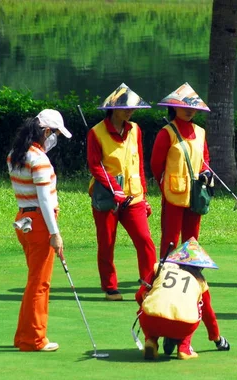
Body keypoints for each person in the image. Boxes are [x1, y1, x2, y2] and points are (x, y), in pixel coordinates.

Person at [7, 109, 72, 351]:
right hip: (40, 223)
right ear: (45, 131)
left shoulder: (16, 153)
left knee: (34, 280)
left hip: (23, 219)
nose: (55, 138)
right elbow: (45, 201)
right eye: (54, 133)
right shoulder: (40, 160)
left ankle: (23, 337)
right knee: (40, 283)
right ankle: (34, 339)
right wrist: (55, 234)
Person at [87, 83, 156, 301]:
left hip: (133, 197)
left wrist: (144, 197)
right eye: (125, 107)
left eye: (132, 108)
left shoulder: (135, 129)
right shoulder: (96, 133)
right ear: (113, 108)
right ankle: (110, 287)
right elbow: (95, 166)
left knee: (145, 240)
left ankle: (149, 285)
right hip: (106, 197)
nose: (130, 111)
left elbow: (139, 165)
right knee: (107, 242)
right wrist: (114, 190)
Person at [135, 238, 230, 360]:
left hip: (151, 321)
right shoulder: (200, 281)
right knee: (197, 307)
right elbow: (207, 314)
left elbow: (139, 296)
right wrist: (216, 338)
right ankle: (184, 348)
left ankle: (151, 340)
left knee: (148, 303)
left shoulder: (159, 268)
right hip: (183, 326)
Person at [151, 83, 213, 256]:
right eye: (184, 107)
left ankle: (191, 272)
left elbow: (205, 158)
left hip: (196, 191)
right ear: (174, 107)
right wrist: (163, 183)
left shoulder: (200, 132)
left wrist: (205, 172)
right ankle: (165, 271)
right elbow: (156, 164)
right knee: (171, 236)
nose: (189, 111)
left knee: (192, 236)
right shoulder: (166, 132)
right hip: (173, 191)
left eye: (192, 107)